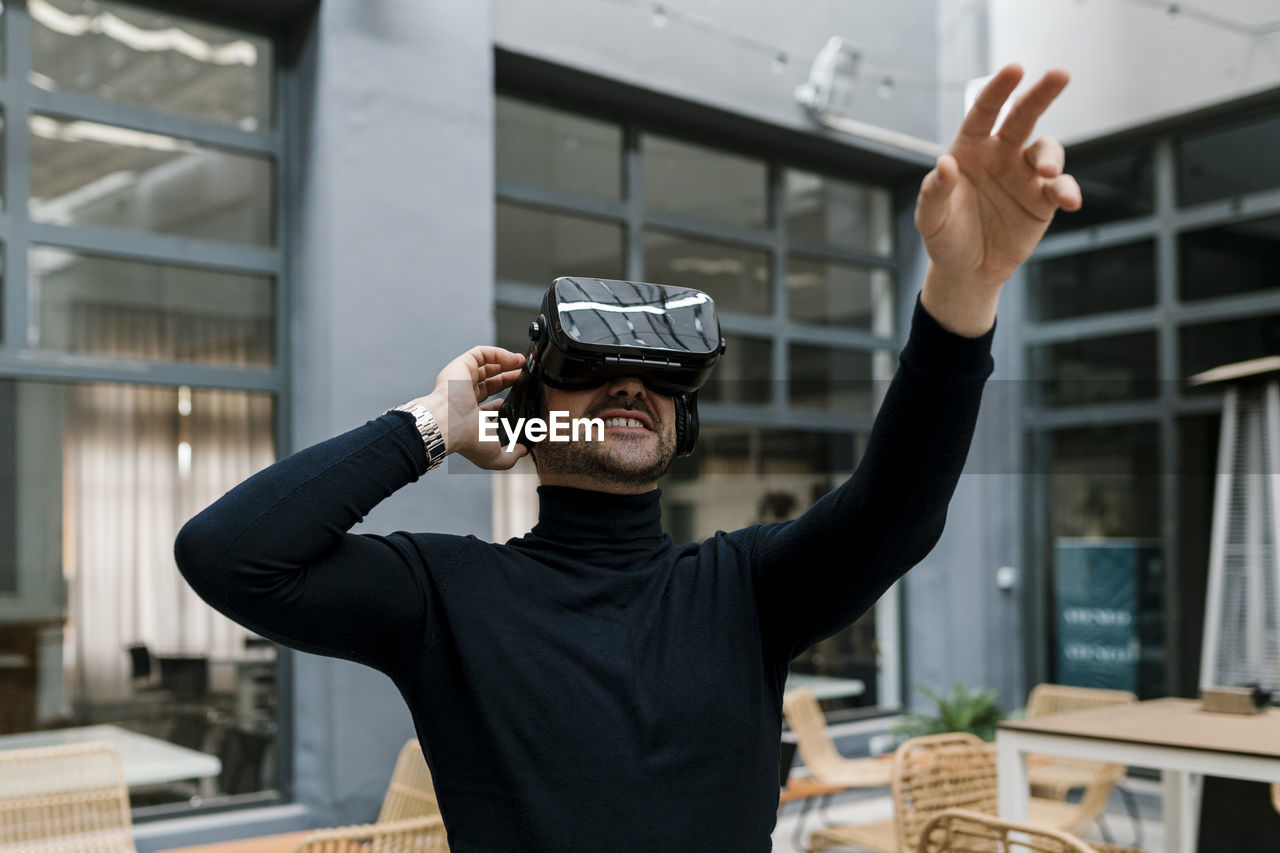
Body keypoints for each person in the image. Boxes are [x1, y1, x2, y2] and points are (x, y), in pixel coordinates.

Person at [175, 64, 1082, 851]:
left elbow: (898, 509)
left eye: (656, 379)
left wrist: (963, 292)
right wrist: (432, 426)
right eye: (592, 370)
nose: (628, 387)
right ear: (532, 417)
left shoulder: (747, 591)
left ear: (680, 425)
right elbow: (227, 554)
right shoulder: (444, 598)